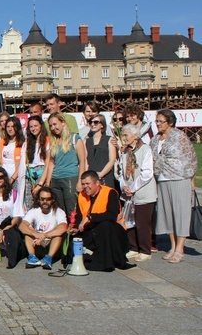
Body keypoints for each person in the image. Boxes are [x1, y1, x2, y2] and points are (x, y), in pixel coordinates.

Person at [149, 109, 197, 264]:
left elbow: (190, 157)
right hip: (162, 178)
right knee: (167, 213)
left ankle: (180, 248)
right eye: (156, 121)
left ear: (170, 122)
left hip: (179, 178)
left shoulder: (179, 136)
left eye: (160, 121)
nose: (157, 124)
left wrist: (191, 178)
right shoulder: (155, 139)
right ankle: (173, 245)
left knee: (180, 212)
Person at [68, 171, 131, 272]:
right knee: (72, 239)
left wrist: (90, 217)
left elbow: (112, 215)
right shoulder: (81, 195)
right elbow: (79, 217)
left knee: (104, 225)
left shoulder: (110, 193)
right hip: (91, 230)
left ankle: (105, 262)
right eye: (83, 184)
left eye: (88, 184)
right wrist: (76, 227)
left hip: (113, 232)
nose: (85, 187)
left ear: (97, 183)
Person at [118, 123, 156, 262]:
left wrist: (133, 188)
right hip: (128, 193)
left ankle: (145, 249)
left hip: (143, 193)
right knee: (130, 221)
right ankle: (133, 247)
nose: (124, 137)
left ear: (135, 135)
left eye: (126, 135)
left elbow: (147, 173)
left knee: (142, 222)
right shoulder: (125, 152)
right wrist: (124, 186)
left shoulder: (145, 149)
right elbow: (120, 172)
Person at [46, 113, 86, 214]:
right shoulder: (53, 141)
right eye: (50, 126)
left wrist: (80, 181)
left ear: (63, 123)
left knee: (72, 209)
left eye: (55, 124)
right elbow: (51, 163)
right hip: (55, 179)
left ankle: (73, 228)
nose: (53, 128)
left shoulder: (75, 138)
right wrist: (48, 182)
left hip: (70, 178)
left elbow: (82, 161)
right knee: (59, 211)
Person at [19, 186, 67, 270]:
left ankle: (48, 259)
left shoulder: (59, 211)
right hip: (36, 243)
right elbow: (22, 226)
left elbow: (63, 227)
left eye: (48, 199)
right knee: (27, 232)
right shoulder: (34, 211)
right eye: (42, 199)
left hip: (51, 244)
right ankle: (32, 258)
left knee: (58, 235)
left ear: (53, 200)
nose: (45, 201)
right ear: (39, 200)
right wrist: (35, 234)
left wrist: (44, 235)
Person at [0, 118, 26, 211]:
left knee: (18, 202)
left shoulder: (22, 143)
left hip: (16, 178)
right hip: (4, 178)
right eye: (8, 126)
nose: (10, 129)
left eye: (13, 126)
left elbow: (22, 163)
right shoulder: (2, 142)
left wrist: (12, 179)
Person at [24, 116, 50, 210]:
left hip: (41, 173)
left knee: (41, 202)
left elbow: (48, 164)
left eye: (35, 126)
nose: (33, 129)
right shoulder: (28, 142)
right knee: (29, 203)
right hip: (29, 174)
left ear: (41, 126)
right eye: (31, 127)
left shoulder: (47, 140)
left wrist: (40, 184)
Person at [84, 114, 116, 189]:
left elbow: (112, 161)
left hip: (106, 176)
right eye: (90, 122)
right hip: (90, 177)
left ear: (102, 125)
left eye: (96, 122)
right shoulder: (86, 141)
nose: (92, 124)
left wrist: (100, 175)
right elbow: (85, 161)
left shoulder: (109, 139)